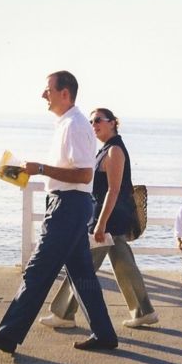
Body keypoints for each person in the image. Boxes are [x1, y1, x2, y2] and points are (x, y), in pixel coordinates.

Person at [0, 71, 118, 353]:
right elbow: (71, 173)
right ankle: (105, 335)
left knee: (37, 270)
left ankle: (8, 335)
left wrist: (40, 169)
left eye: (48, 89)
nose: (43, 94)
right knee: (81, 274)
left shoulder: (75, 125)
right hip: (68, 205)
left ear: (65, 93)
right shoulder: (66, 123)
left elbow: (85, 174)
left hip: (68, 206)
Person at [40, 108, 159, 329]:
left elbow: (113, 190)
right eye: (91, 121)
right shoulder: (105, 149)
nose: (93, 125)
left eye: (98, 121)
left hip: (108, 219)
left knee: (81, 264)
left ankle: (63, 314)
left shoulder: (114, 150)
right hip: (113, 218)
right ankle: (144, 312)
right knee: (124, 265)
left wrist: (101, 224)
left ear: (113, 123)